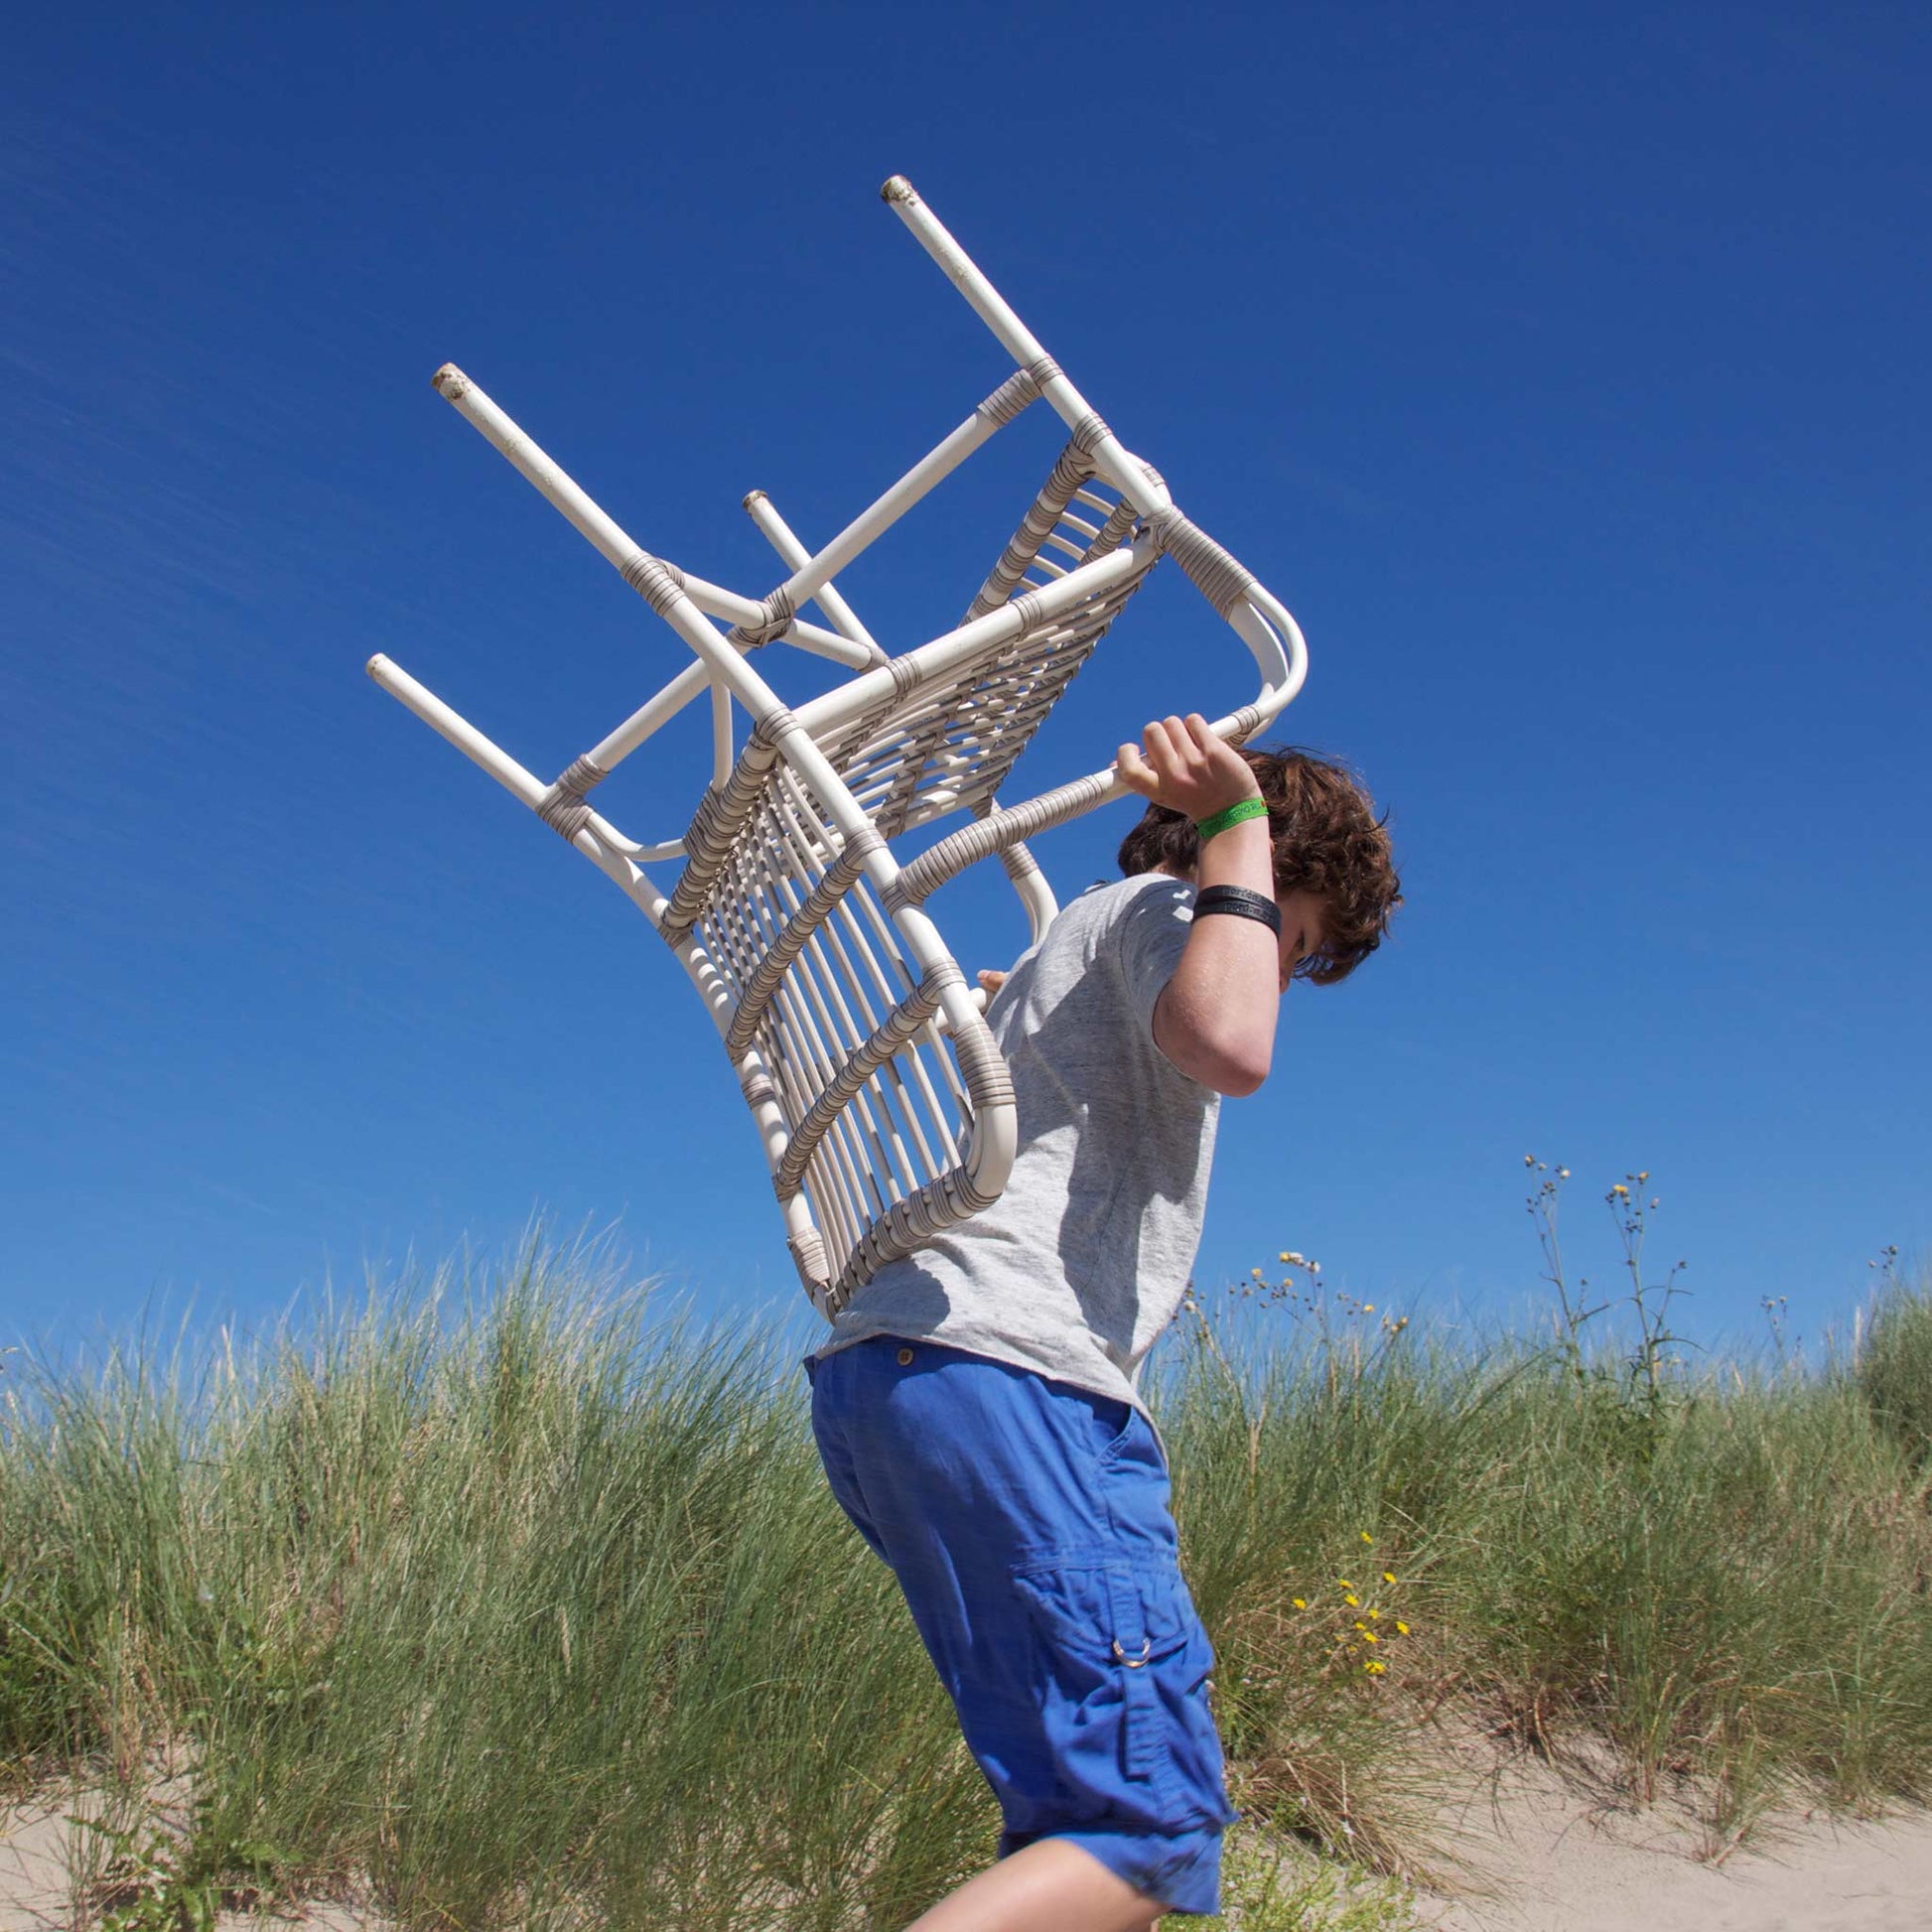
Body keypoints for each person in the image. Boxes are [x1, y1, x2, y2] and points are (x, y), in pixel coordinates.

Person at [808, 713, 1402, 1929]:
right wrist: (1237, 844)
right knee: (1143, 1823)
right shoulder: (1162, 913)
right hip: (1014, 1377)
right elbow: (1227, 1041)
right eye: (1293, 940)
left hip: (897, 1374)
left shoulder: (1080, 939)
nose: (1281, 973)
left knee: (1068, 1814)